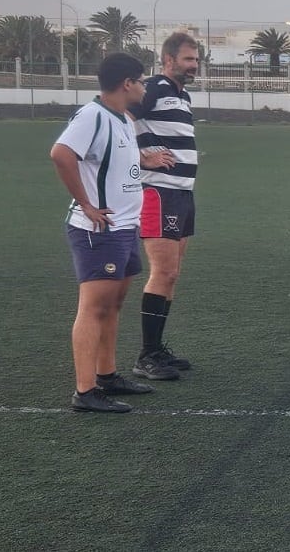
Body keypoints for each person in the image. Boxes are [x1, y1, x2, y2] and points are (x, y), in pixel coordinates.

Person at [49, 53, 176, 412]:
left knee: (113, 305)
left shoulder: (119, 118)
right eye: (140, 81)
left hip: (123, 227)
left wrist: (142, 159)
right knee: (94, 307)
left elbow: (110, 157)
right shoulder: (92, 115)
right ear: (127, 84)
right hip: (100, 230)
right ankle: (85, 392)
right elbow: (60, 154)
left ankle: (107, 375)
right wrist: (86, 204)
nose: (143, 86)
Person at [129, 32, 200, 381]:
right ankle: (146, 356)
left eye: (197, 59)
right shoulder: (155, 86)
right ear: (169, 59)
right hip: (159, 192)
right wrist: (142, 156)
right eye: (188, 59)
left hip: (182, 193)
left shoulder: (181, 94)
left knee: (173, 274)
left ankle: (156, 349)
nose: (194, 64)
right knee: (163, 272)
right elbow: (120, 115)